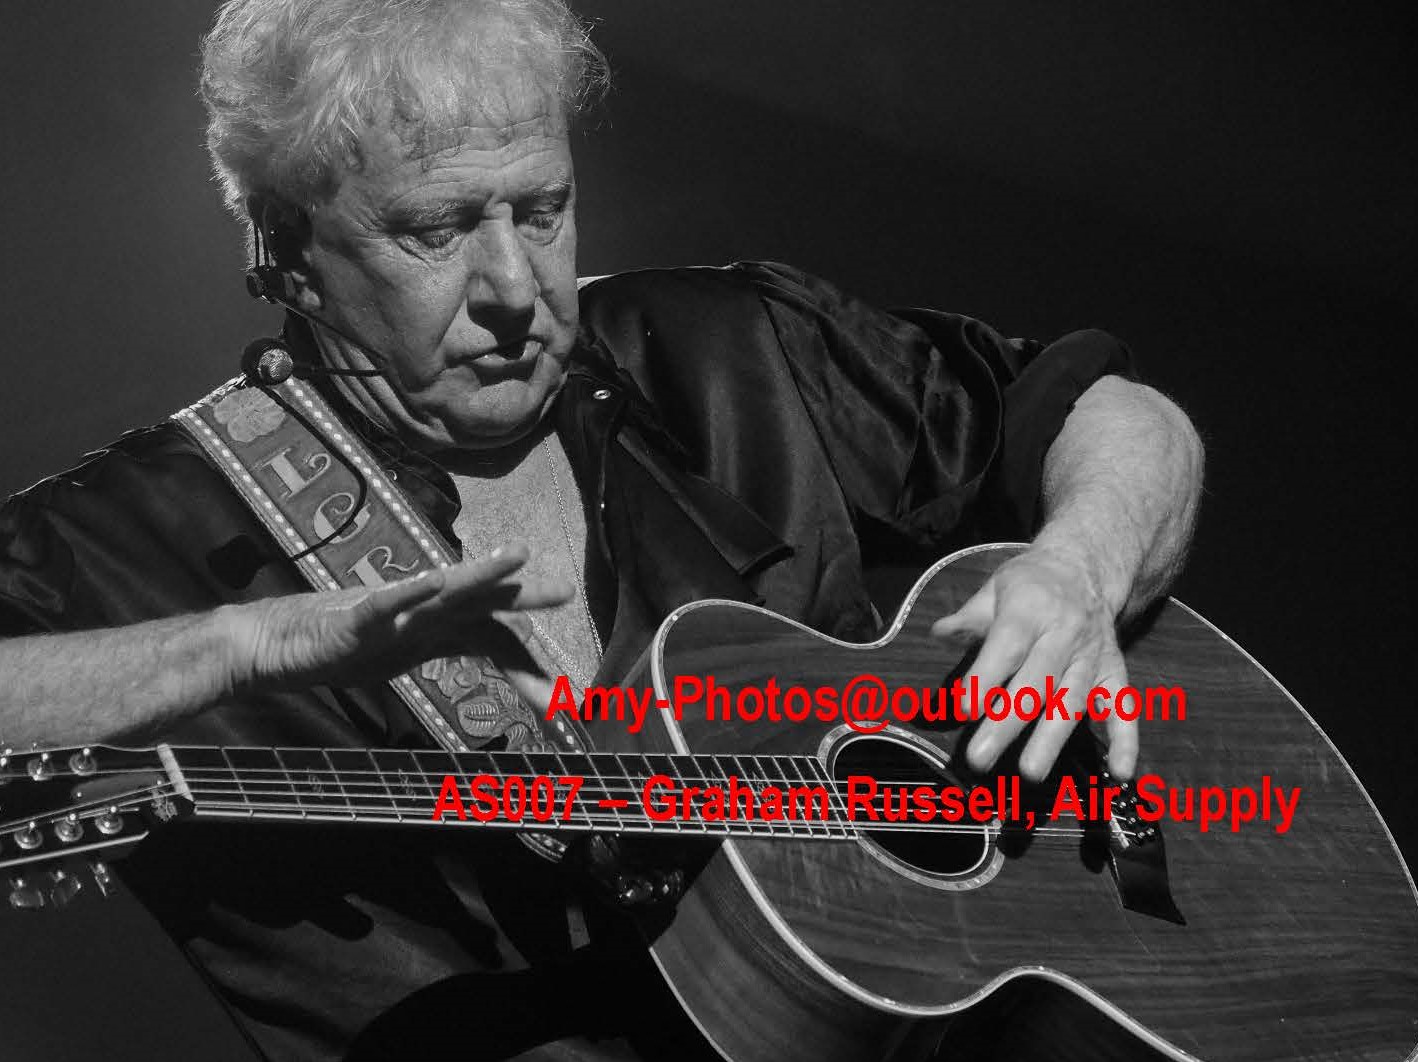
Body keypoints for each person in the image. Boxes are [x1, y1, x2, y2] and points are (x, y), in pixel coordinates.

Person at [0, 1, 1203, 1059]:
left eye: (543, 209)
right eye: (434, 230)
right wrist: (242, 644)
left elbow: (1107, 413)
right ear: (284, 248)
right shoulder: (130, 534)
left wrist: (1080, 569)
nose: (514, 288)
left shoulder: (731, 347)